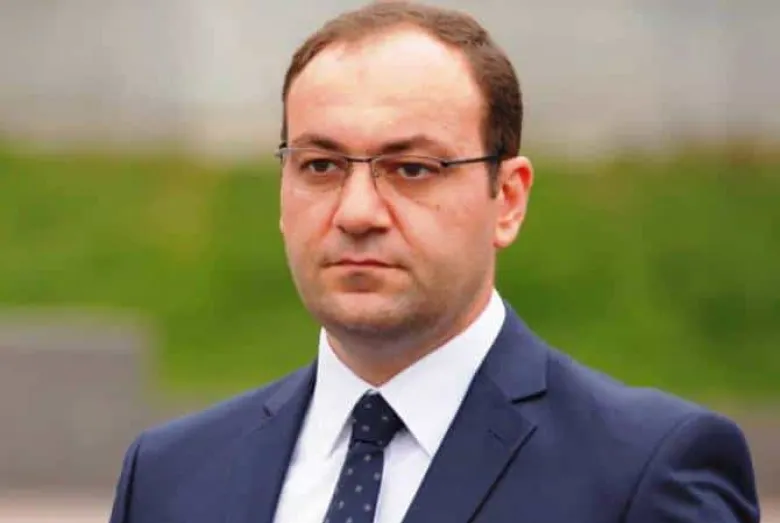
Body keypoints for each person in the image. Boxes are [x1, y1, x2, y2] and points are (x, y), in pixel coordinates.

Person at [108, 2, 761, 522]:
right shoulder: (169, 476)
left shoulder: (644, 473)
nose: (356, 211)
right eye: (321, 165)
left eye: (413, 168)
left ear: (508, 200)